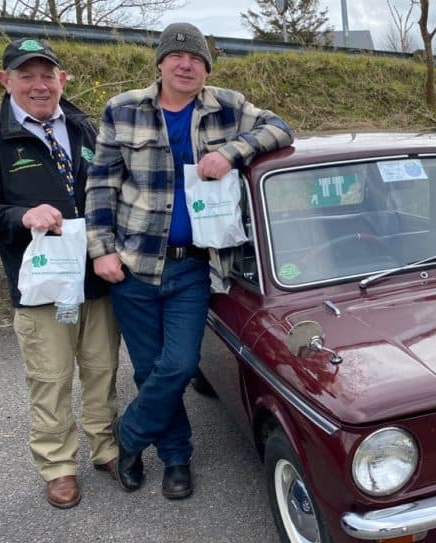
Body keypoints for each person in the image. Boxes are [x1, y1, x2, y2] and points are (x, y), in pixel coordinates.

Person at [86, 23, 294, 500]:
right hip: (133, 265)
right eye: (177, 57)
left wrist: (231, 152)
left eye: (197, 59)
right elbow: (100, 184)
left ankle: (130, 438)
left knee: (178, 365)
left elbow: (280, 128)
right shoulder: (122, 109)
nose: (187, 65)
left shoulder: (228, 105)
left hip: (193, 267)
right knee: (147, 370)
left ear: (206, 68)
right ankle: (177, 457)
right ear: (159, 63)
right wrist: (102, 251)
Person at [0, 39, 120, 509]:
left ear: (62, 79)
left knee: (102, 370)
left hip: (96, 280)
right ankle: (58, 466)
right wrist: (20, 218)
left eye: (47, 74)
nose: (39, 85)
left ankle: (106, 447)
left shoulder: (86, 128)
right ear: (5, 81)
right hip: (42, 286)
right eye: (26, 76)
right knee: (50, 378)